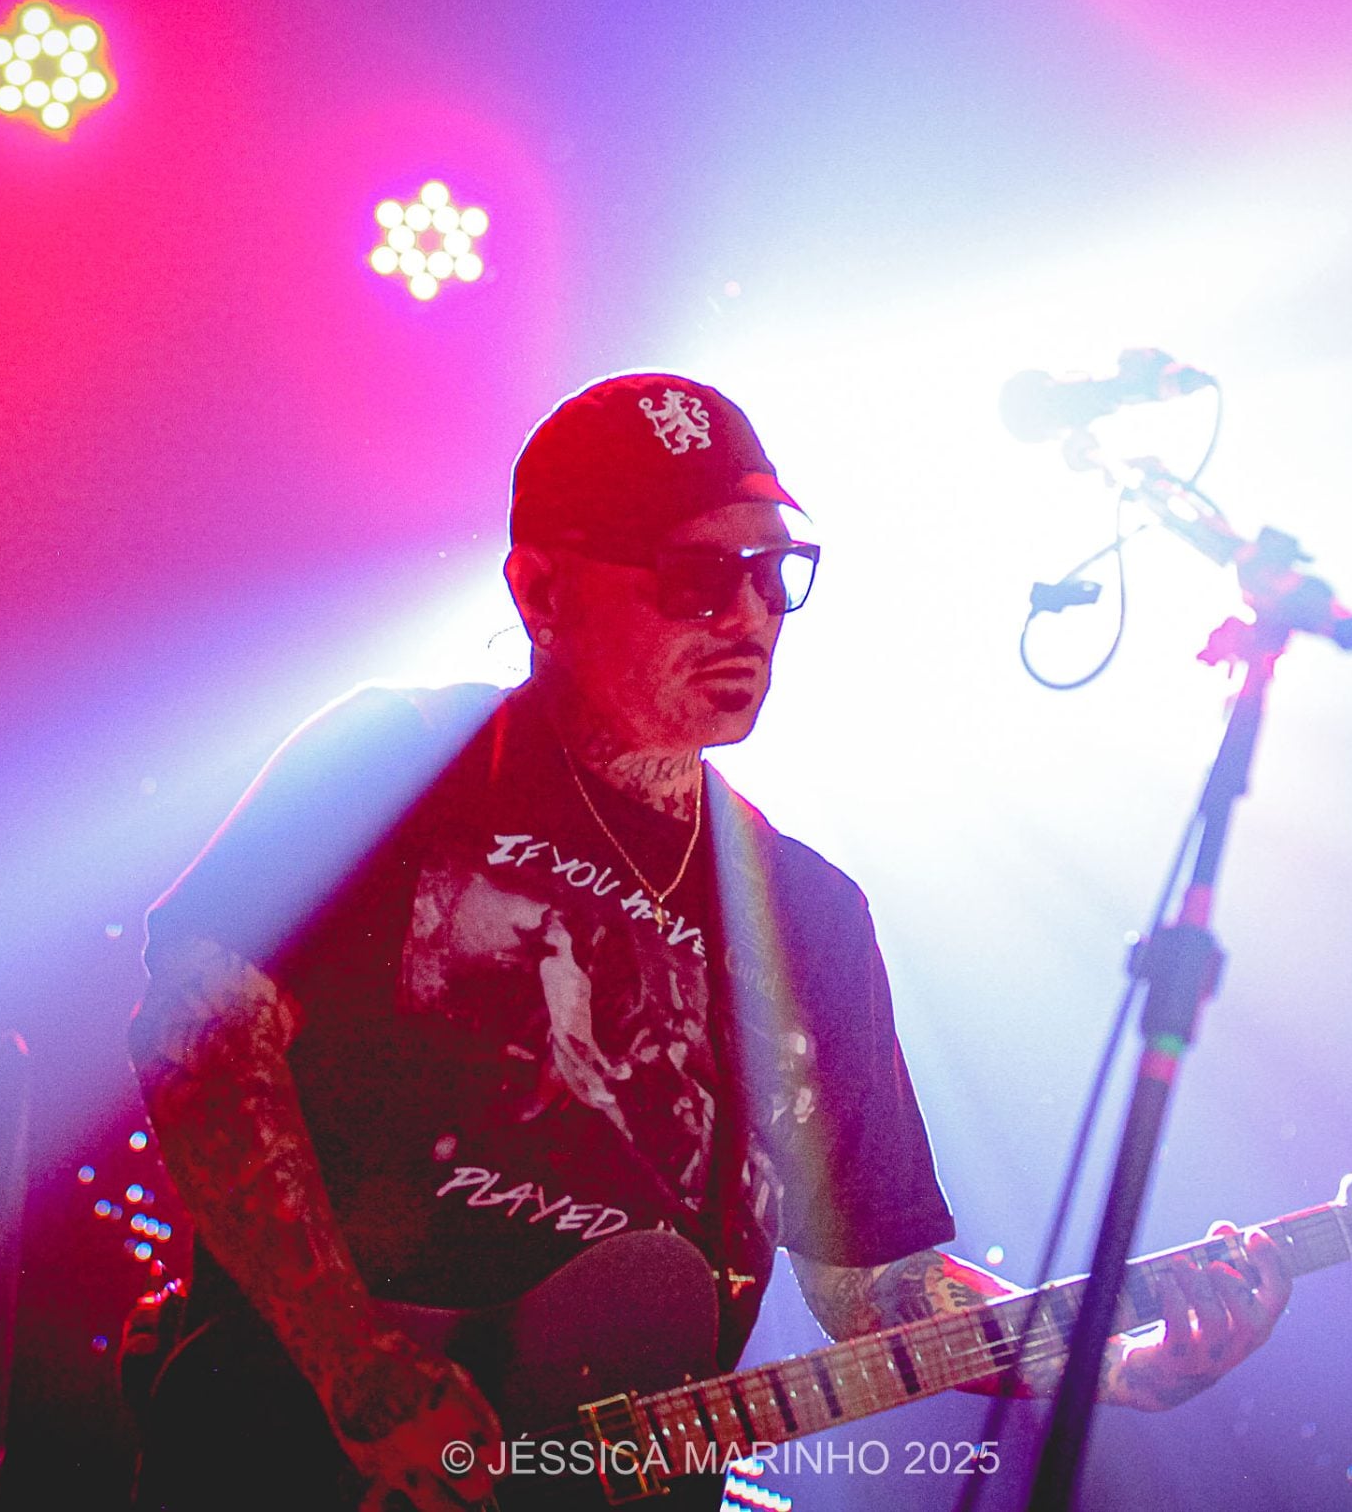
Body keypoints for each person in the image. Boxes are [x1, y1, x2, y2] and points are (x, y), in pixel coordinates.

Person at [125, 373, 1291, 1510]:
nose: (747, 615)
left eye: (774, 572)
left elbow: (873, 1288)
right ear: (541, 591)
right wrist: (353, 1362)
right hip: (307, 1455)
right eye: (693, 575)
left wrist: (1107, 1362)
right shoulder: (402, 755)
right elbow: (199, 1038)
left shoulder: (808, 913)